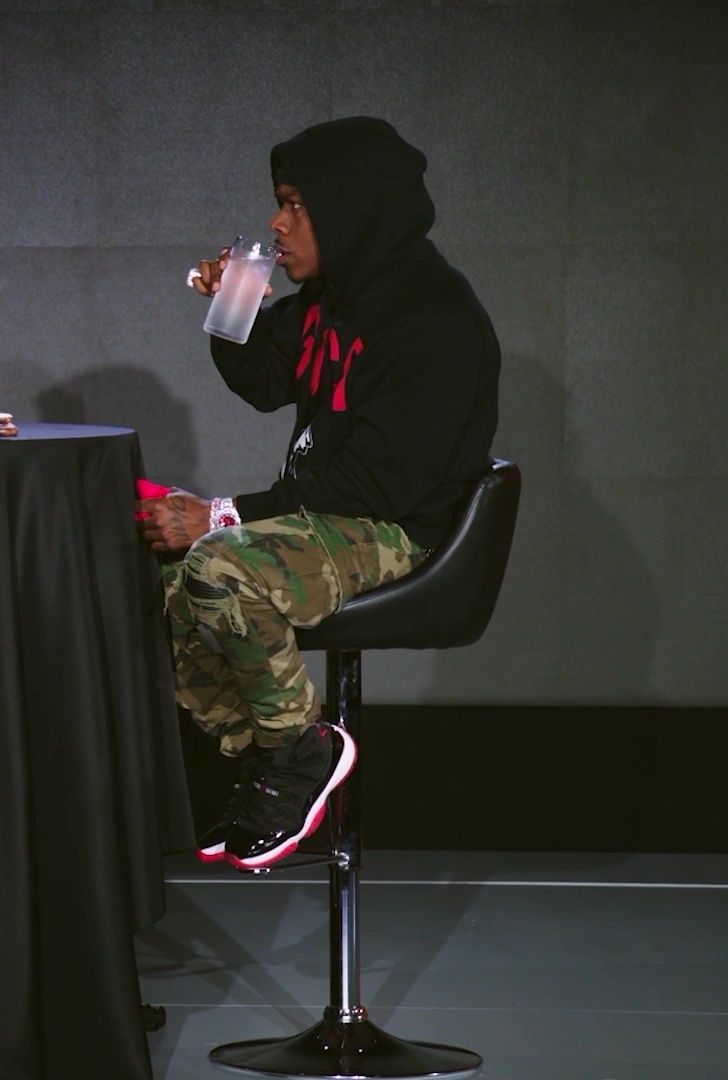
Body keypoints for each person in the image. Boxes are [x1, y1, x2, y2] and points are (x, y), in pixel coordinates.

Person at [139, 116, 499, 871]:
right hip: (330, 516)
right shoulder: (336, 296)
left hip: (399, 530)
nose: (278, 222)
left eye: (296, 204)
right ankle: (251, 755)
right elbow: (267, 381)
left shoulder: (434, 318)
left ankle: (300, 754)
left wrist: (222, 514)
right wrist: (234, 305)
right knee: (156, 569)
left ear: (351, 206)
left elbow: (381, 481)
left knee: (219, 563)